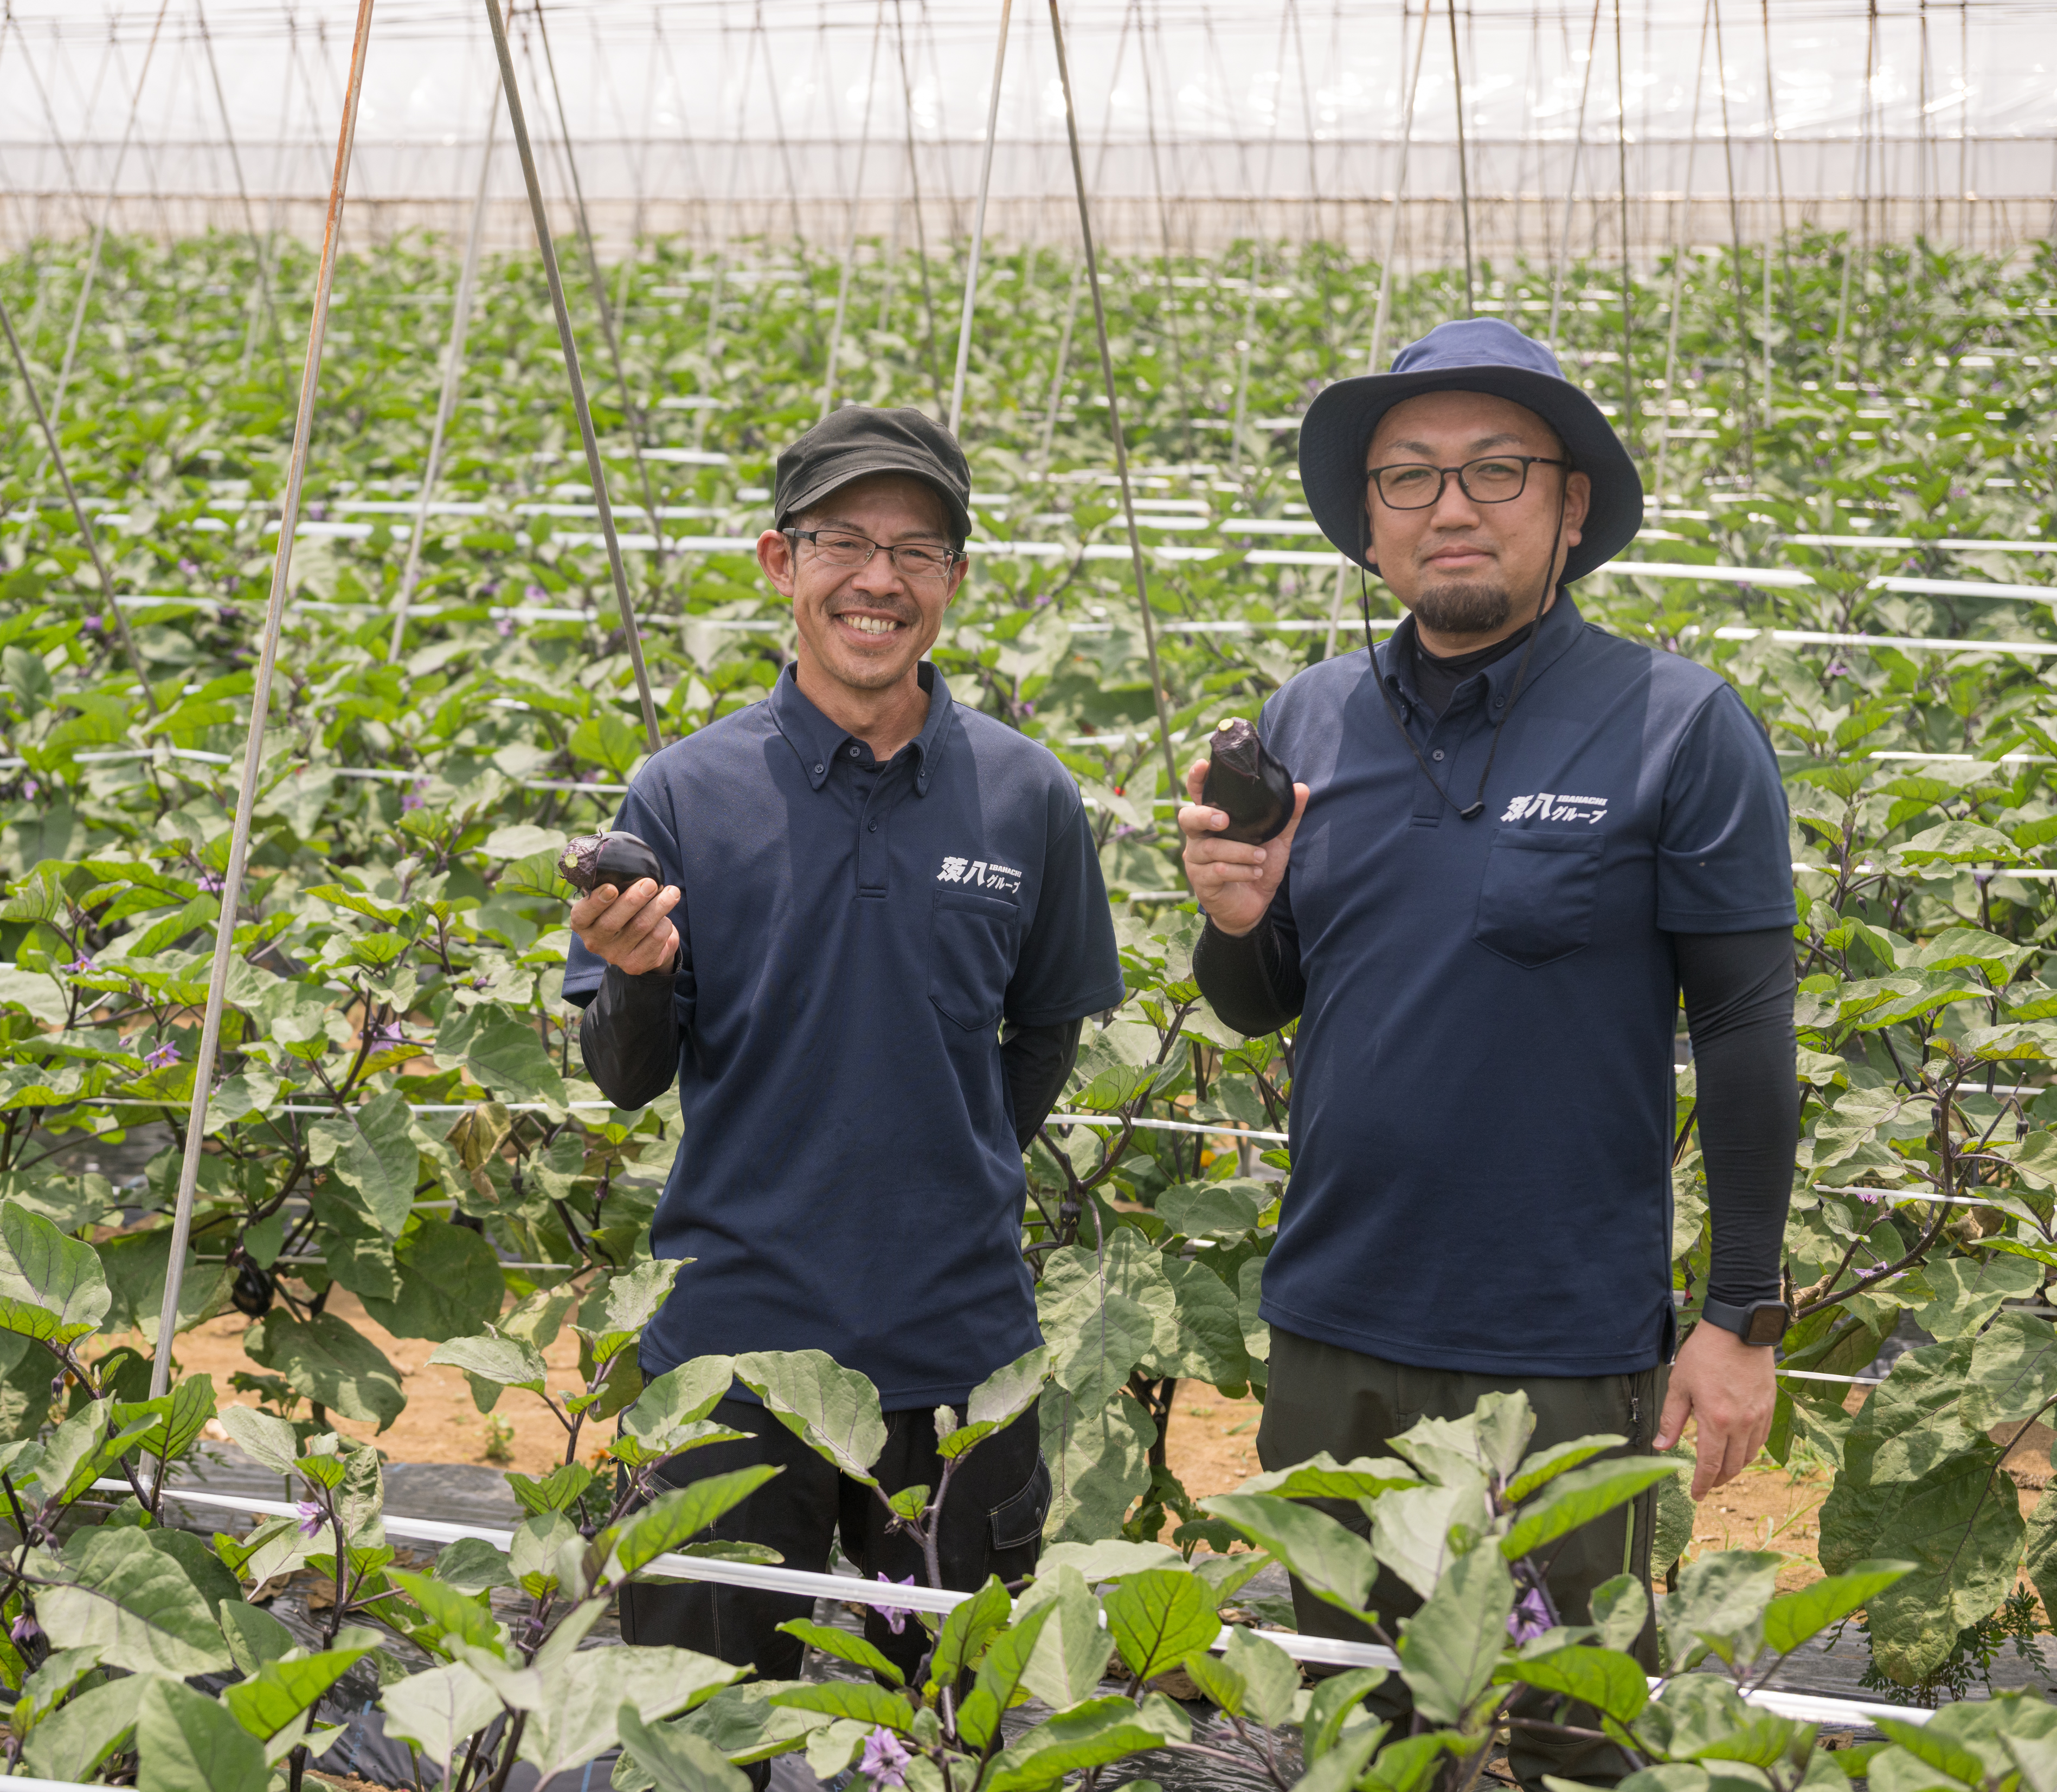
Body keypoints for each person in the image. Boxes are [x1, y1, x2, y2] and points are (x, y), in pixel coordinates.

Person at [1176, 318, 1797, 1781]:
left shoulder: (1676, 723)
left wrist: (1743, 1312)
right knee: (1348, 1728)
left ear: (1569, 505)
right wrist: (1233, 917)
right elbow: (1256, 999)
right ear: (1372, 522)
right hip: (1337, 1338)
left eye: (1494, 468)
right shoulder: (1306, 717)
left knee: (1563, 1736)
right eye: (1409, 477)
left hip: (1563, 1355)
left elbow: (1748, 1027)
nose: (1450, 505)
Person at [563, 405, 1126, 1686]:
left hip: (955, 1358)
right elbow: (624, 1071)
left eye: (917, 550)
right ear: (781, 562)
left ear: (953, 581)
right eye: (843, 544)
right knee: (703, 1730)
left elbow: (1040, 1034)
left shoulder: (1027, 794)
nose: (878, 580)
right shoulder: (682, 792)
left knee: (938, 1731)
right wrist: (641, 980)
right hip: (731, 1353)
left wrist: (947, 1153)